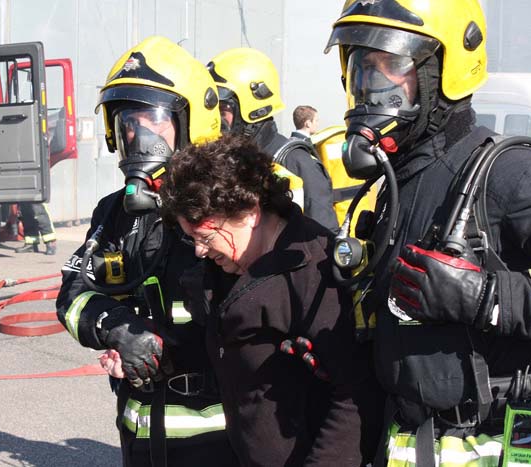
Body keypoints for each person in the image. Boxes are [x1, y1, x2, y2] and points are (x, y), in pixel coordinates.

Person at [325, 1, 531, 465]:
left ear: (446, 69)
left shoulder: (512, 177)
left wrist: (489, 298)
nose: (372, 88)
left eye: (391, 66)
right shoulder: (397, 188)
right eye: (362, 67)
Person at [56, 36, 238, 467]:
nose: (139, 138)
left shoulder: (227, 209)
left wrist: (166, 347)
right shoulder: (113, 213)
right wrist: (115, 328)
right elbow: (71, 294)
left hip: (218, 437)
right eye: (128, 124)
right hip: (140, 429)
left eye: (154, 123)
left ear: (192, 125)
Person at [160, 134, 382, 466]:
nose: (199, 250)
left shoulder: (314, 272)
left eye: (204, 237)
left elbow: (358, 395)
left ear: (250, 211)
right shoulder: (226, 268)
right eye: (191, 238)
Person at [207, 48, 339, 233]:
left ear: (254, 110)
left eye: (222, 111)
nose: (215, 120)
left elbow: (324, 239)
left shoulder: (297, 162)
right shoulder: (222, 162)